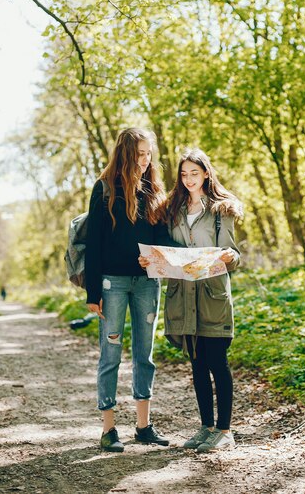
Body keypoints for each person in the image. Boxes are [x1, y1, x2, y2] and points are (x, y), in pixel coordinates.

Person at [85, 127, 178, 452]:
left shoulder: (153, 190)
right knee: (110, 354)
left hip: (146, 283)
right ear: (125, 154)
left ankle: (143, 426)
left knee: (145, 355)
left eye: (148, 153)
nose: (146, 159)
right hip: (111, 284)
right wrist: (92, 293)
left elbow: (163, 237)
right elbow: (93, 245)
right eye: (140, 153)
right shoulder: (104, 190)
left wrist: (156, 256)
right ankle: (109, 429)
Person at [152, 148, 242, 453]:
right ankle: (205, 428)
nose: (189, 179)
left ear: (206, 173)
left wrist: (231, 257)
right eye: (184, 173)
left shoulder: (222, 210)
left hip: (212, 296)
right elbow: (167, 251)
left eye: (194, 172)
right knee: (197, 364)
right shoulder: (172, 210)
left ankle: (225, 430)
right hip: (183, 297)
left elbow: (232, 256)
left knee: (217, 361)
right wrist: (152, 260)